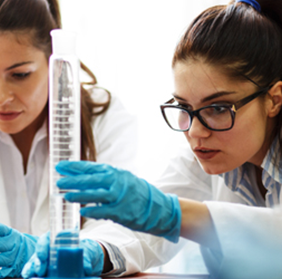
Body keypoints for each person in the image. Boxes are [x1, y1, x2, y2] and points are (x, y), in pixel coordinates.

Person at [23, 0, 282, 278]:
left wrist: (174, 215)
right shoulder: (206, 159)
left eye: (218, 108)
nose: (194, 131)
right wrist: (94, 250)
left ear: (274, 100)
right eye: (183, 108)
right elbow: (141, 234)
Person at [0, 0, 139, 278]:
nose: (0, 97)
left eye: (20, 74)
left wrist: (90, 250)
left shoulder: (105, 119)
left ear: (53, 61)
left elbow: (126, 227)